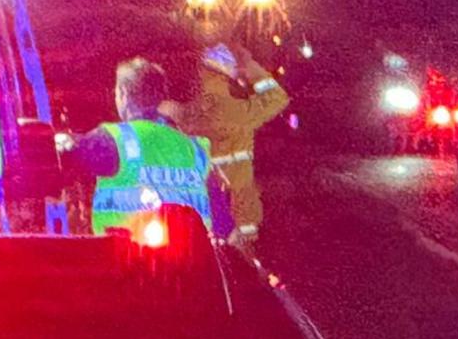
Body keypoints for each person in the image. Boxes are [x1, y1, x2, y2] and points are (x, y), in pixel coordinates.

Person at [60, 57, 226, 235]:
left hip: (128, 257)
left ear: (123, 93)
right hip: (194, 259)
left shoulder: (115, 140)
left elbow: (65, 155)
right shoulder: (196, 150)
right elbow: (222, 217)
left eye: (116, 93)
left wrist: (59, 140)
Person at [167, 39, 290, 249]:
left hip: (200, 213)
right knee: (242, 275)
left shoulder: (187, 114)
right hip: (238, 218)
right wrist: (250, 66)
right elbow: (278, 97)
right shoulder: (238, 111)